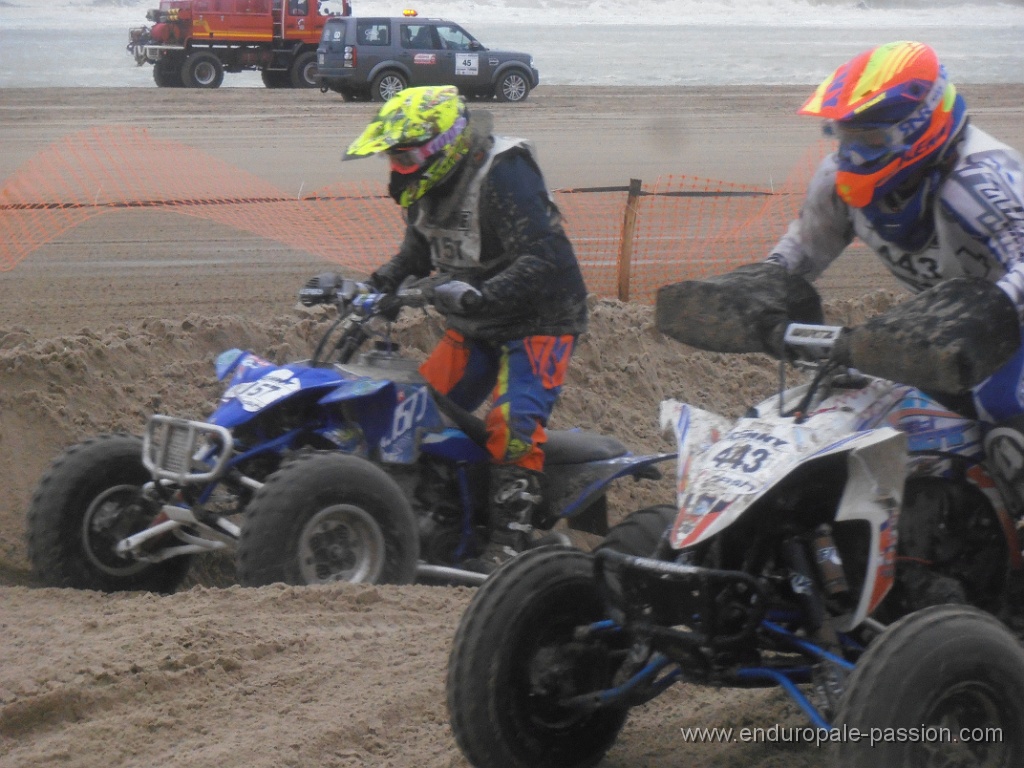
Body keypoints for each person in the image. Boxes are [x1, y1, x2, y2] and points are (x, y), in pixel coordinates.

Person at [336, 85, 588, 570]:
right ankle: (433, 518)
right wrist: (377, 286)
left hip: (541, 320)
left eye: (407, 155)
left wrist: (482, 294)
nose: (400, 166)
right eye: (394, 156)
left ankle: (508, 547)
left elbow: (546, 256)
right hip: (475, 320)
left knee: (512, 424)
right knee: (413, 409)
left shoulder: (504, 171)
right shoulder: (430, 186)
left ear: (444, 144)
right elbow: (417, 252)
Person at [761, 40, 1024, 421]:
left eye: (869, 141)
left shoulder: (978, 184)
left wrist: (989, 308)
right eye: (845, 137)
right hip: (955, 329)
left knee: (1001, 407)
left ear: (920, 126)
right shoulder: (837, 180)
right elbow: (803, 248)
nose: (852, 154)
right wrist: (764, 282)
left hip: (1006, 325)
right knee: (871, 402)